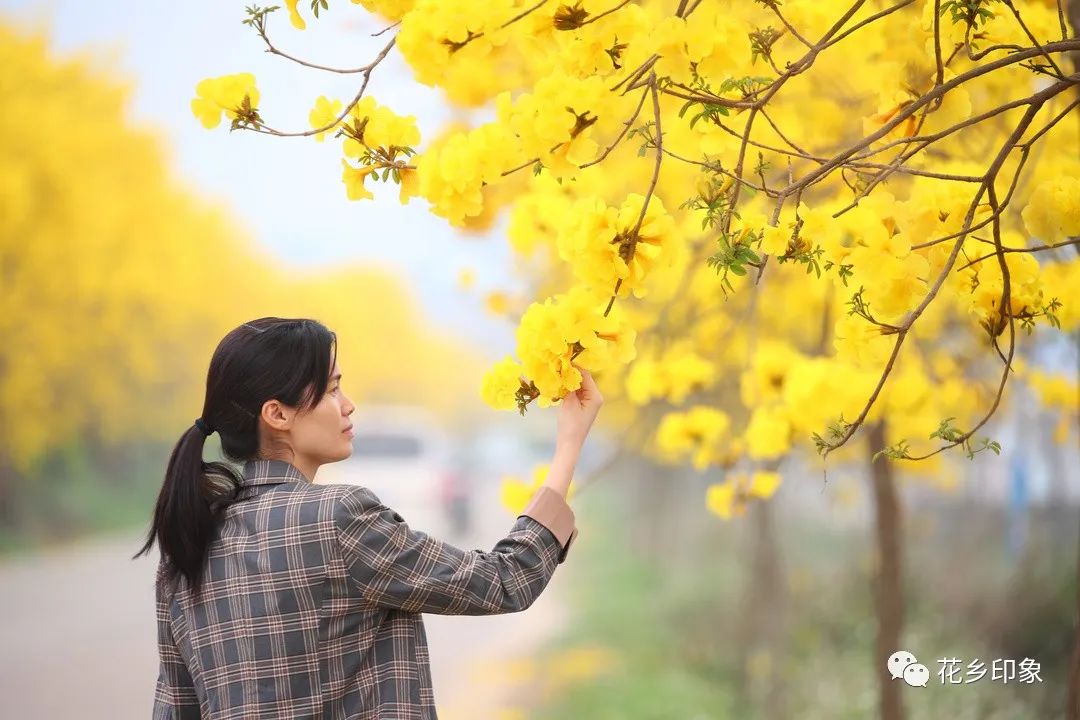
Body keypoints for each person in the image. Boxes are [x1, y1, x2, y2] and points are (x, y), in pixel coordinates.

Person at [132, 317, 603, 719]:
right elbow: (504, 580)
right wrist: (567, 448)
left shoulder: (185, 551)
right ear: (276, 414)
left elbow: (173, 708)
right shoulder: (336, 519)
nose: (349, 403)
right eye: (333, 388)